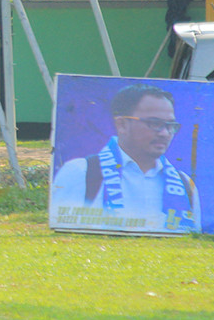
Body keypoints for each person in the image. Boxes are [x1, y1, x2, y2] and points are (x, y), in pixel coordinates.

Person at [50, 83, 201, 233]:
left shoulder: (184, 184)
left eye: (170, 125)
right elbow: (64, 237)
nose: (165, 133)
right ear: (121, 124)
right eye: (154, 123)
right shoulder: (81, 172)